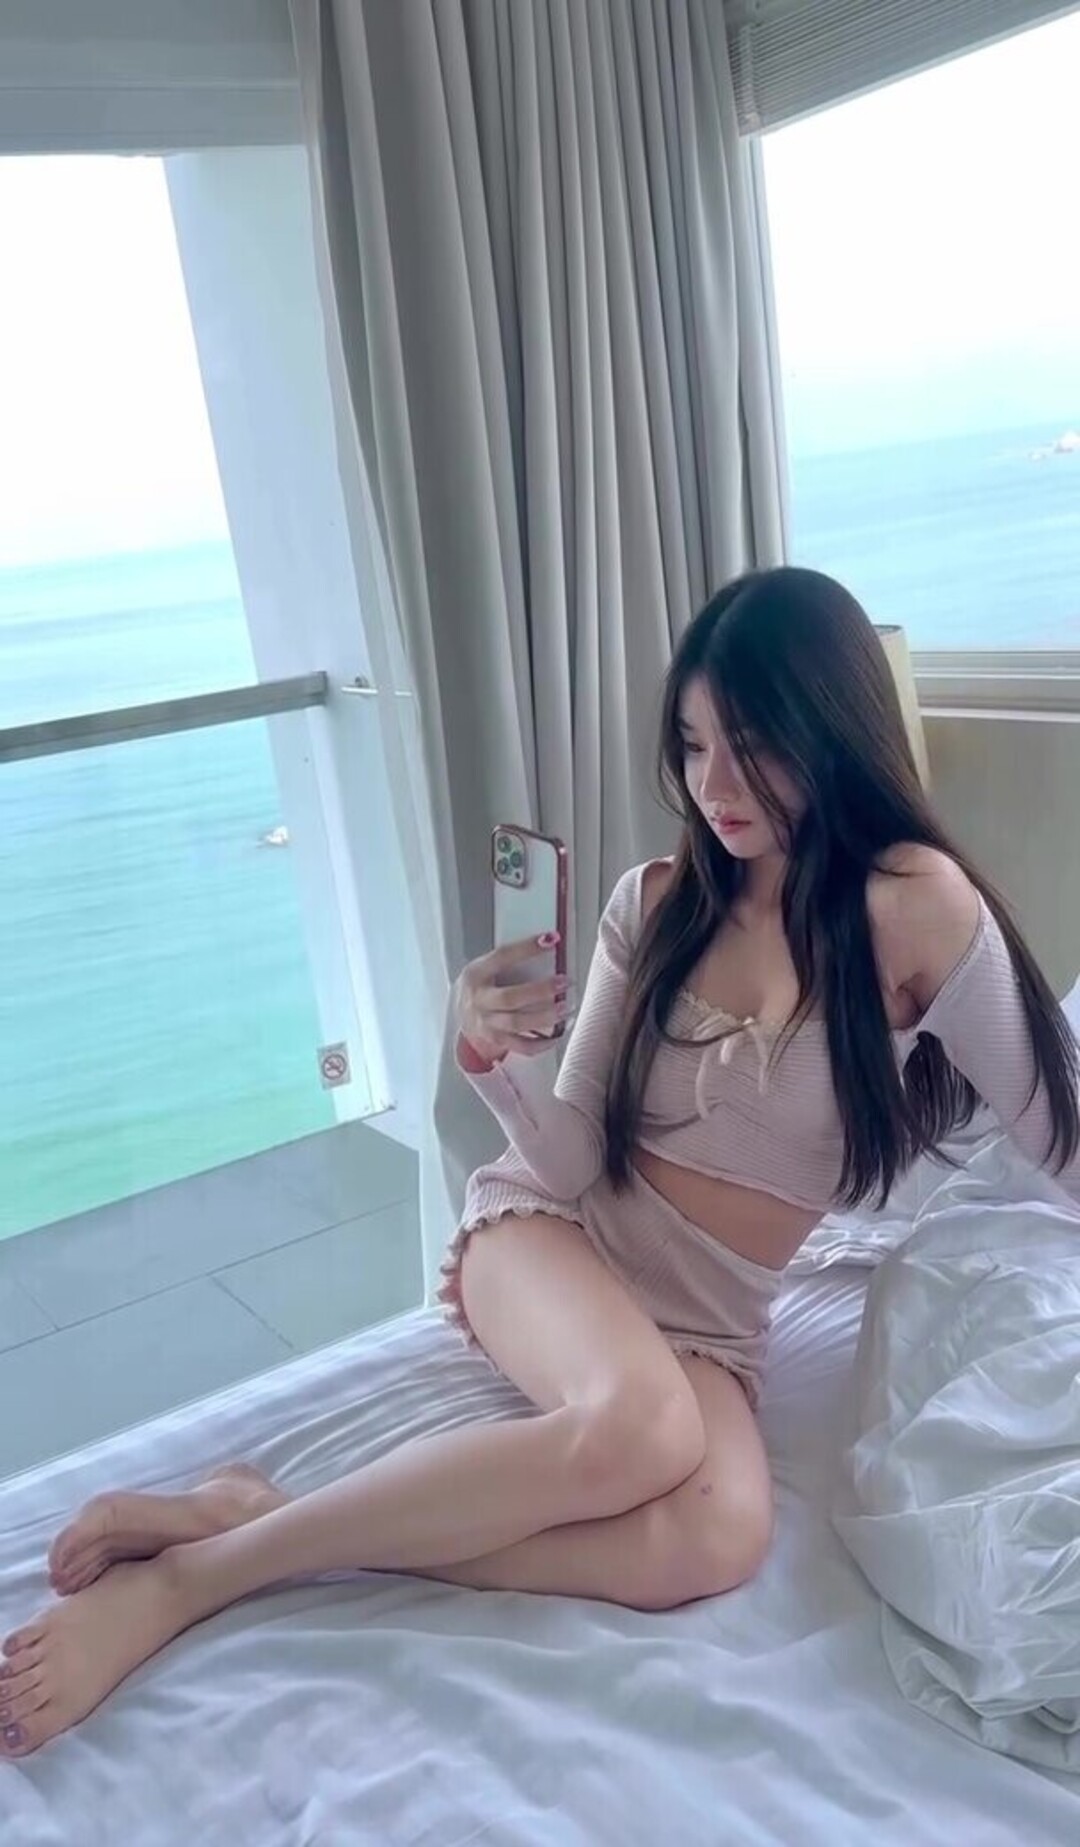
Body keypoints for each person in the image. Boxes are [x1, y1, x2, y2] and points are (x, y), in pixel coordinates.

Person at [3, 566, 1078, 1759]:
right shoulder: (654, 902)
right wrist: (482, 1053)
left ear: (832, 725)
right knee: (645, 1430)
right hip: (554, 1236)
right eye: (693, 744)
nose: (714, 786)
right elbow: (569, 1152)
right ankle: (193, 1581)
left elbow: (1056, 1121)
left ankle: (265, 1511)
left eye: (751, 746)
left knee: (717, 1534)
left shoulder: (912, 904)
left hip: (709, 1320)